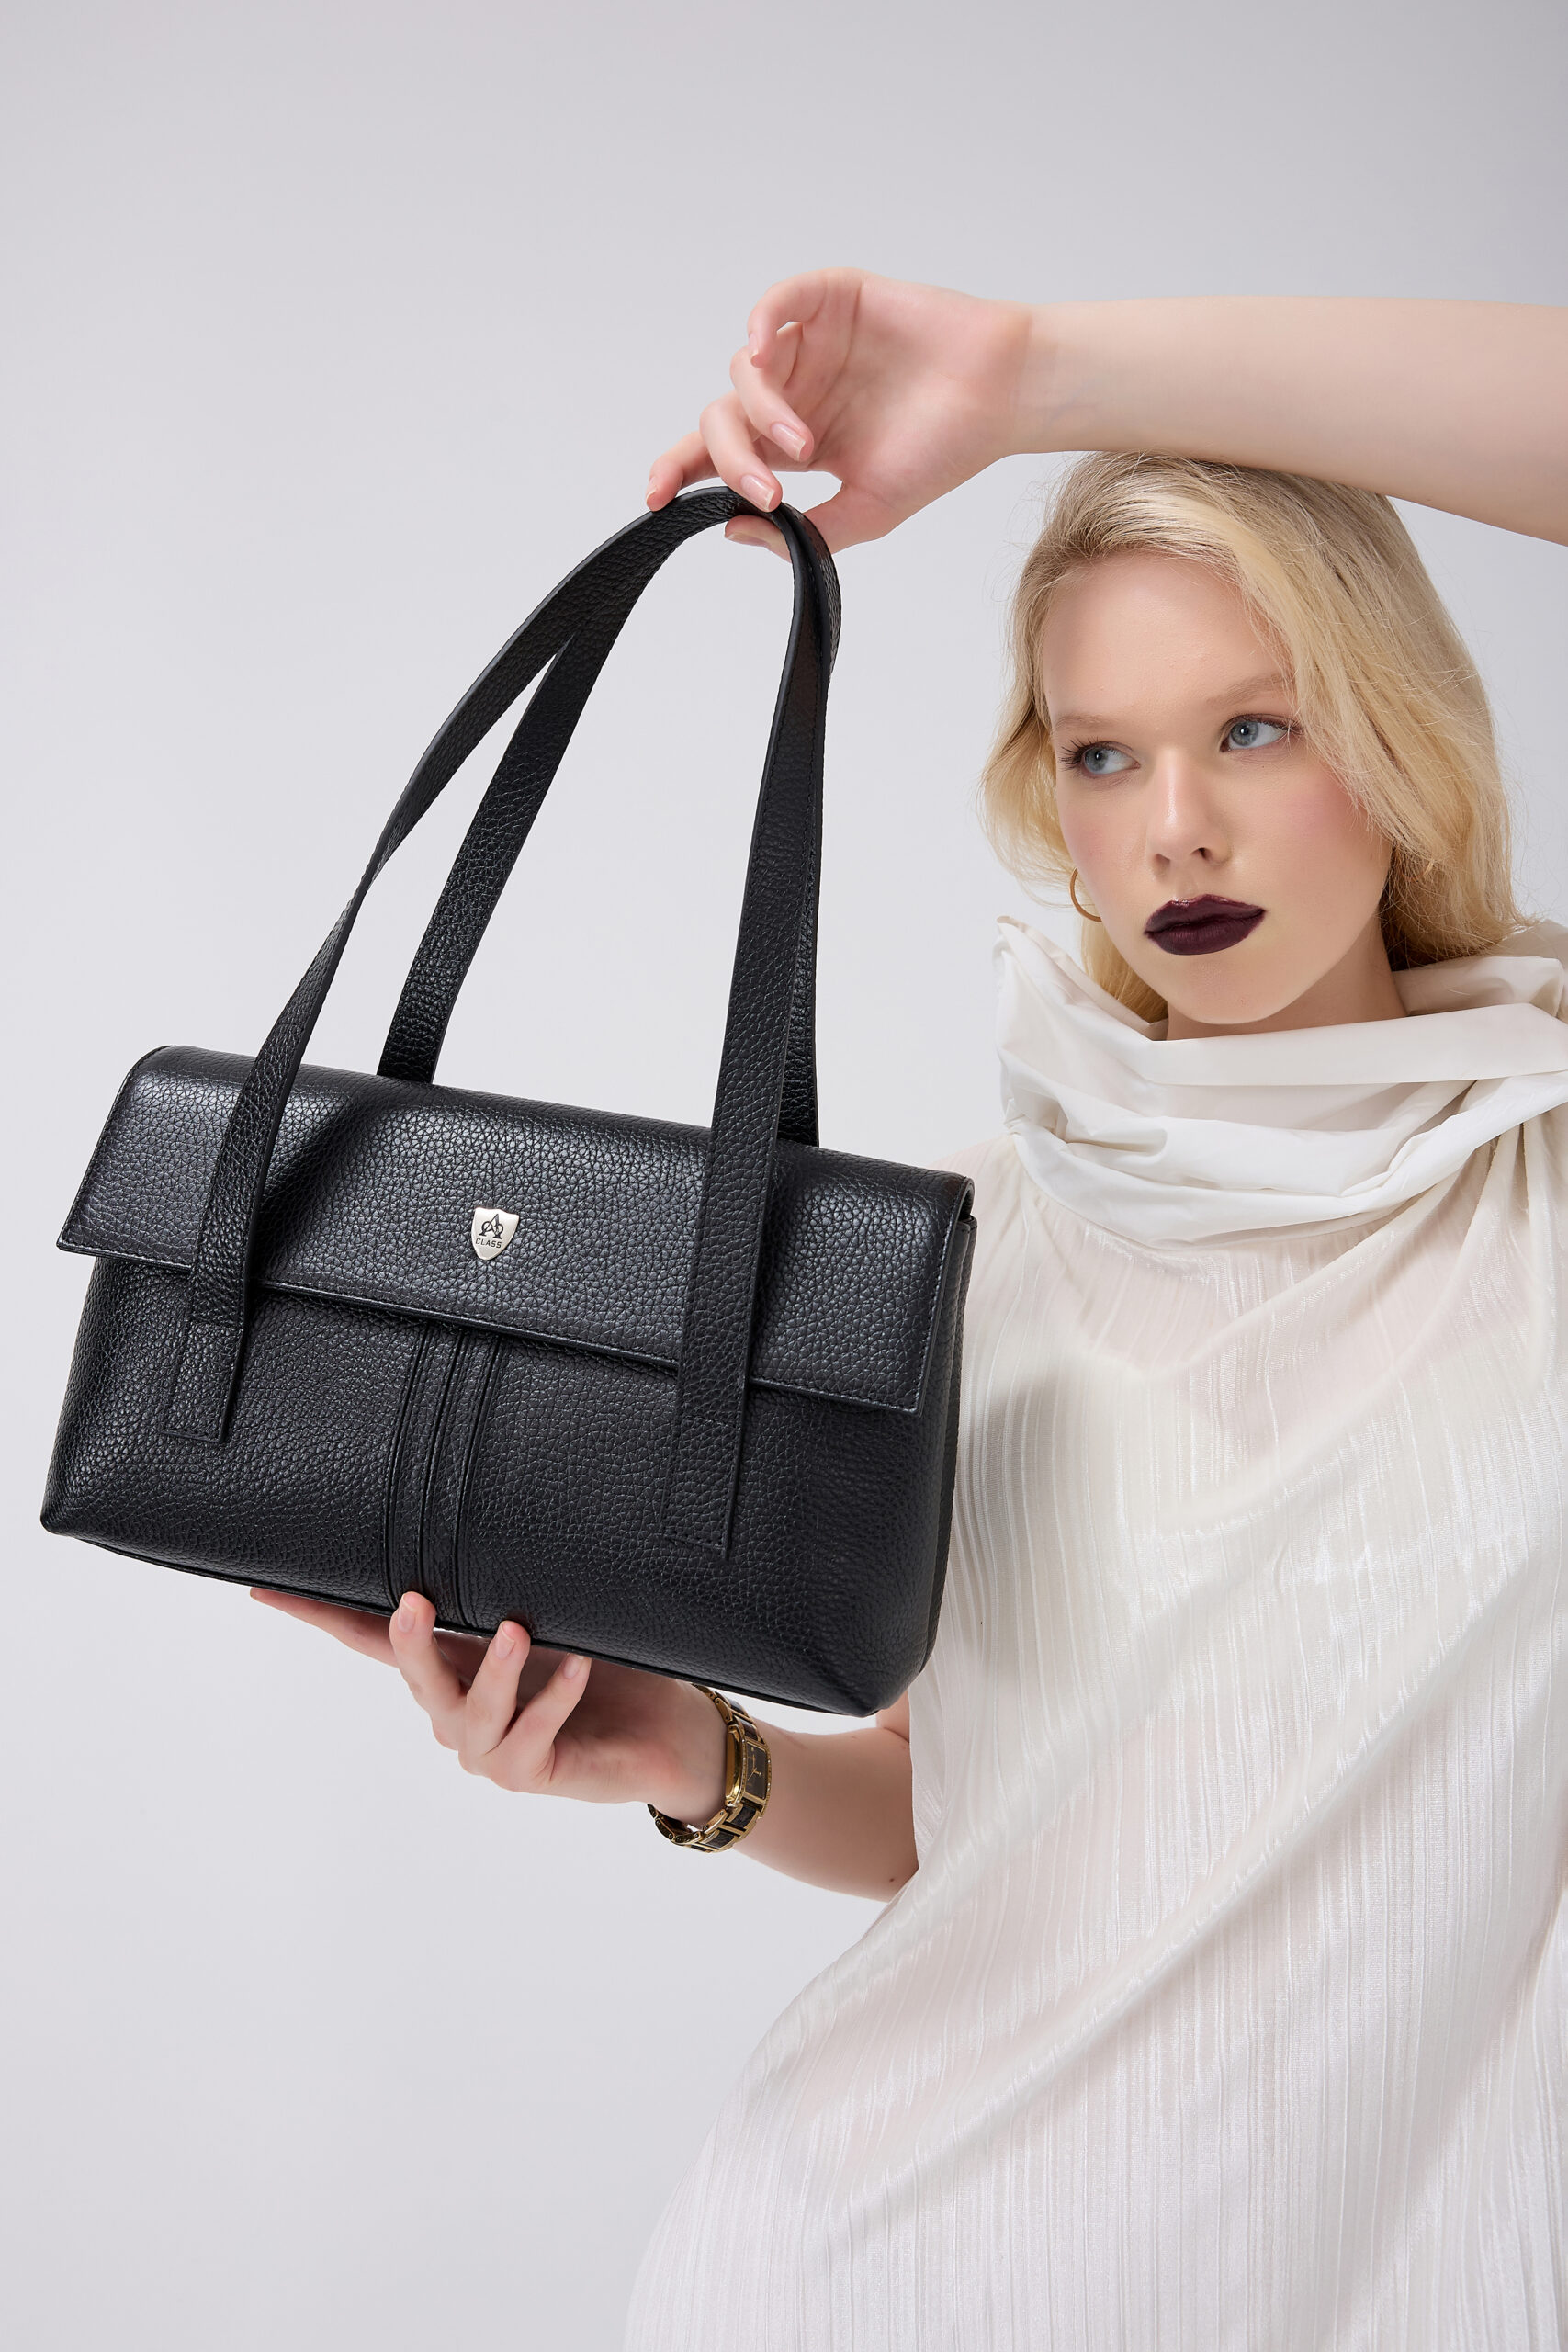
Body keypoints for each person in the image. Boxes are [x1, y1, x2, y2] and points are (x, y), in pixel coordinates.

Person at [254, 274, 1568, 2346]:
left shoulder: (1539, 1178)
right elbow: (968, 1815)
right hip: (879, 2265)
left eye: (1255, 724)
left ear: (1395, 733)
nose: (1175, 826)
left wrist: (1040, 376)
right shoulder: (978, 1242)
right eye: (1102, 753)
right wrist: (699, 1755)